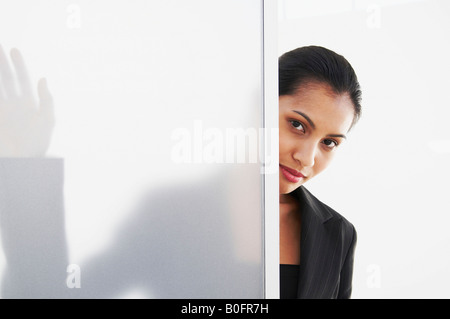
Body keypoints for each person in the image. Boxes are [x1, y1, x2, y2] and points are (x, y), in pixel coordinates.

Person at [278, 46, 362, 299]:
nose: (306, 158)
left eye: (329, 143)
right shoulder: (177, 212)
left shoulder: (339, 234)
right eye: (297, 125)